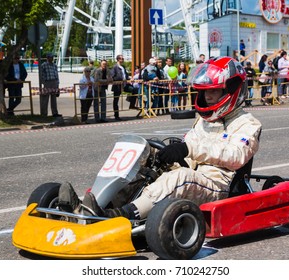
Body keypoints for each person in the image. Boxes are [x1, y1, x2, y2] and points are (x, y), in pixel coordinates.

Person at [57, 56, 262, 221]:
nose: (207, 96)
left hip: (216, 185)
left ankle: (120, 216)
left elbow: (236, 155)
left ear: (231, 90)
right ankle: (95, 205)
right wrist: (167, 153)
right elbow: (188, 147)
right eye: (204, 91)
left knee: (179, 178)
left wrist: (187, 148)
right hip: (192, 171)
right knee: (143, 155)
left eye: (213, 91)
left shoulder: (248, 123)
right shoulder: (204, 120)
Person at [40, 53, 61, 117]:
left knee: (54, 99)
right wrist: (44, 82)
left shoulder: (54, 65)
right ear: (47, 58)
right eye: (50, 57)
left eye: (52, 57)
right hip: (47, 82)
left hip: (54, 82)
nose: (51, 58)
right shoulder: (43, 65)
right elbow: (41, 74)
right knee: (45, 99)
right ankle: (44, 113)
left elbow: (56, 75)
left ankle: (54, 113)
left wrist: (57, 84)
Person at [110, 54, 129, 121]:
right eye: (122, 58)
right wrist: (120, 79)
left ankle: (132, 104)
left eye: (123, 58)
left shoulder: (123, 67)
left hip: (124, 84)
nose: (123, 60)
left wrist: (128, 78)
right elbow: (112, 76)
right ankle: (116, 115)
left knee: (134, 90)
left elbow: (126, 75)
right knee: (116, 101)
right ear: (118, 59)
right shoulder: (115, 67)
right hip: (117, 86)